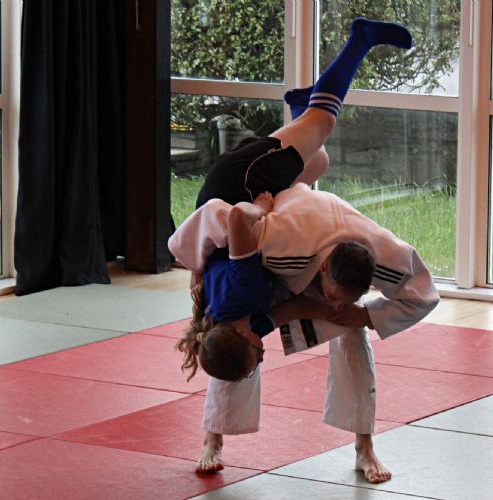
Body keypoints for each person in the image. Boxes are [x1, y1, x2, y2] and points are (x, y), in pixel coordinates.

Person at [169, 18, 429, 484]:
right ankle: (353, 47)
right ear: (325, 270)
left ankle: (365, 446)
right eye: (334, 296)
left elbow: (420, 295)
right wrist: (249, 220)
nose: (335, 304)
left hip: (257, 197)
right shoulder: (275, 244)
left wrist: (363, 315)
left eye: (342, 299)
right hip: (251, 196)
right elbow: (228, 225)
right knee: (320, 140)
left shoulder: (378, 248)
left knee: (320, 135)